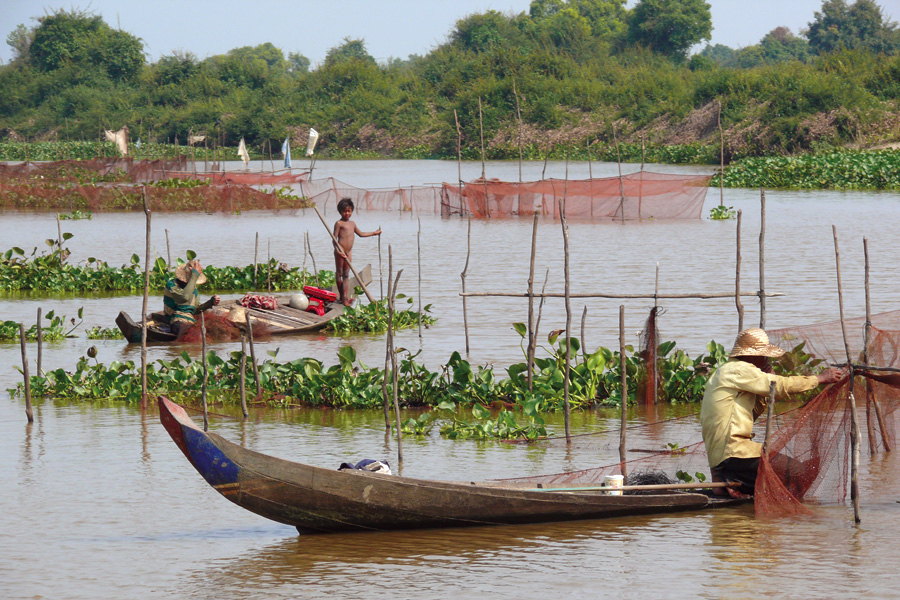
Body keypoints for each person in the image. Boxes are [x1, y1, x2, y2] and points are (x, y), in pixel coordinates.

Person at [699, 328, 844, 498]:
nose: (767, 359)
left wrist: (766, 384)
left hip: (724, 458)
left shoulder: (724, 371)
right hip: (736, 454)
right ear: (752, 355)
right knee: (800, 472)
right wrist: (818, 379)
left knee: (786, 475)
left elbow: (750, 414)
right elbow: (779, 385)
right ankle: (789, 517)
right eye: (764, 355)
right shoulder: (739, 369)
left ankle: (737, 487)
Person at [333, 197, 381, 306]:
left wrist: (374, 233)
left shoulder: (352, 224)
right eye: (345, 211)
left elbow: (361, 234)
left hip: (348, 252)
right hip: (340, 251)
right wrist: (337, 250)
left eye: (349, 211)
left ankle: (344, 297)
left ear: (352, 211)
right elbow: (334, 239)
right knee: (339, 273)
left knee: (346, 274)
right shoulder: (339, 223)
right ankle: (342, 297)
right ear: (340, 211)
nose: (347, 213)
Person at [163, 259, 220, 340]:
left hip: (191, 321)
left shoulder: (193, 288)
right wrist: (194, 274)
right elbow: (184, 297)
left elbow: (195, 310)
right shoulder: (172, 285)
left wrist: (211, 302)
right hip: (176, 320)